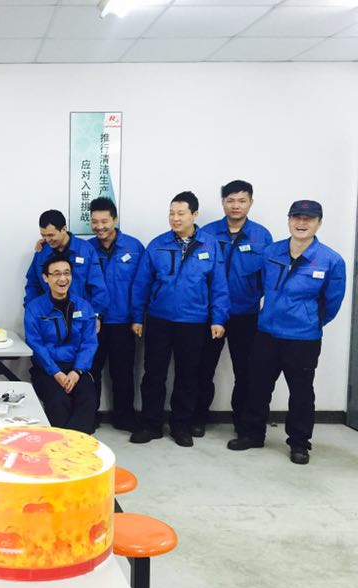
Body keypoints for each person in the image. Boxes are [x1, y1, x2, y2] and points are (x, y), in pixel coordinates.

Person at [228, 200, 346, 465]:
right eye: (296, 217)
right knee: (257, 386)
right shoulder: (272, 252)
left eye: (309, 218)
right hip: (267, 333)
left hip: (303, 339)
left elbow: (332, 302)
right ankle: (252, 434)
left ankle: (299, 443)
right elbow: (260, 284)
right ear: (289, 220)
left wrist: (309, 321)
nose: (301, 223)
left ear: (319, 223)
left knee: (301, 393)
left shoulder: (330, 260)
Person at [130, 191, 230, 447]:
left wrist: (218, 319)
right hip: (159, 319)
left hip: (194, 321)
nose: (175, 218)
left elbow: (219, 286)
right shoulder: (157, 244)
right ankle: (151, 424)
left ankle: (180, 425)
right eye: (171, 213)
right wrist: (137, 317)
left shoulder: (209, 245)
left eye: (181, 213)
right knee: (154, 374)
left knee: (188, 376)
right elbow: (142, 283)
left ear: (194, 215)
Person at [194, 180, 273, 437]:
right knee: (203, 368)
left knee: (246, 371)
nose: (235, 206)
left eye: (241, 200)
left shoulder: (262, 236)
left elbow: (268, 278)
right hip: (209, 314)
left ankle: (243, 422)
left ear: (251, 202)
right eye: (230, 200)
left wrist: (252, 297)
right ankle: (198, 417)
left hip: (246, 314)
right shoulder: (207, 233)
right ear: (223, 202)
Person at [87, 197, 144, 432]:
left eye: (104, 221)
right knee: (90, 371)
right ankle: (89, 415)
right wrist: (43, 244)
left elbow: (141, 285)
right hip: (93, 323)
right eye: (94, 222)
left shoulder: (134, 247)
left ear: (115, 220)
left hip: (123, 322)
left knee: (123, 373)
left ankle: (124, 417)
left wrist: (138, 318)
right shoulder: (86, 248)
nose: (99, 226)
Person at [24, 253, 98, 434]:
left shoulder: (83, 306)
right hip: (47, 369)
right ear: (45, 278)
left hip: (76, 368)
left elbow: (89, 343)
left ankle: (78, 444)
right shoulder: (35, 308)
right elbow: (35, 343)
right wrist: (55, 372)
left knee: (88, 398)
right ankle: (60, 443)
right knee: (58, 401)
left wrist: (77, 371)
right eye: (56, 274)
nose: (63, 279)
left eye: (67, 273)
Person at [24, 209, 109, 327]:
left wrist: (96, 315)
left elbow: (97, 286)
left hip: (81, 317)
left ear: (64, 229)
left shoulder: (85, 250)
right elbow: (33, 285)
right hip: (50, 319)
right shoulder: (42, 252)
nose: (47, 240)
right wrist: (31, 311)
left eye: (51, 235)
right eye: (43, 235)